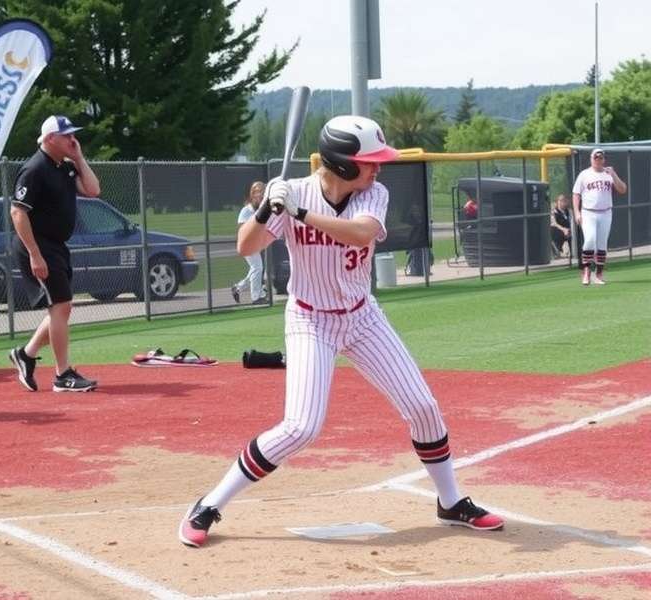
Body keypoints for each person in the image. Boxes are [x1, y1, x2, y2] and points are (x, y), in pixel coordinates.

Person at [178, 115, 504, 548]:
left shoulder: (371, 195)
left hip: (362, 315)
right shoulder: (293, 192)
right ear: (344, 165)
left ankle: (451, 501)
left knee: (423, 406)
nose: (377, 169)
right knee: (301, 427)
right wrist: (266, 208)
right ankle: (210, 503)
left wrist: (297, 212)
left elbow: (361, 233)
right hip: (311, 319)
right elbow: (245, 246)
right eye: (369, 162)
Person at [8, 115, 101, 392]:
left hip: (57, 245)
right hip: (38, 245)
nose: (72, 139)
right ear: (49, 139)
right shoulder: (34, 169)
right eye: (66, 135)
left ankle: (26, 354)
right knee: (61, 306)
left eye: (73, 134)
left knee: (61, 308)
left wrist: (80, 159)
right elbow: (18, 212)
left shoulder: (65, 167)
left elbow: (94, 190)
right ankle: (62, 375)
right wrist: (35, 254)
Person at [572, 148, 627, 285]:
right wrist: (577, 212)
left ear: (604, 159)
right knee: (590, 239)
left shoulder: (609, 174)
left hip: (606, 212)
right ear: (591, 159)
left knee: (602, 243)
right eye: (596, 158)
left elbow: (623, 189)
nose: (598, 160)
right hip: (588, 212)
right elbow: (576, 194)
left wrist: (613, 174)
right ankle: (586, 271)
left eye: (600, 158)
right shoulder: (584, 174)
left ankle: (599, 273)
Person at [230, 181, 267, 305]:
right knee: (258, 267)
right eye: (256, 191)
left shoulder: (265, 208)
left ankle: (238, 288)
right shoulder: (246, 210)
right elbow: (241, 228)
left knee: (255, 269)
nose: (259, 194)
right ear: (252, 194)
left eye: (261, 191)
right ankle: (256, 297)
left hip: (259, 243)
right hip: (247, 244)